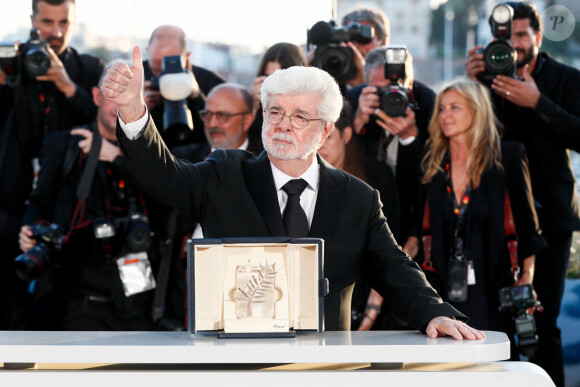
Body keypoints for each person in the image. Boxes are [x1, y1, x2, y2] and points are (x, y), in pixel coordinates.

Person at [102, 46, 485, 340]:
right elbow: (163, 176)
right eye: (275, 112)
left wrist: (435, 313)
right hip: (237, 363)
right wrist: (133, 111)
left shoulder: (358, 198)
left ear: (325, 130)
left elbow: (394, 267)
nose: (284, 124)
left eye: (300, 116)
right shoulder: (225, 173)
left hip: (326, 366)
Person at [465, 2, 580, 385]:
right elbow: (465, 135)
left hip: (551, 215)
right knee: (493, 322)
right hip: (496, 215)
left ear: (538, 36)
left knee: (541, 322)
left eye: (519, 35)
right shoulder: (485, 79)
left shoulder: (564, 78)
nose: (511, 44)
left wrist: (538, 104)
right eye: (504, 36)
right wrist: (472, 85)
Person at [18, 64, 162, 330]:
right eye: (113, 95)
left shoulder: (154, 154)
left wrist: (116, 157)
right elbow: (39, 201)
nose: (120, 104)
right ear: (96, 96)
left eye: (130, 96)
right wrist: (29, 230)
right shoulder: (63, 145)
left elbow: (165, 201)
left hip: (135, 295)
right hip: (75, 294)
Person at [417, 77, 545, 357]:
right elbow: (419, 226)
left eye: (454, 107)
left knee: (490, 362)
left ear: (477, 111)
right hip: (442, 284)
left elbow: (528, 229)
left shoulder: (508, 156)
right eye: (441, 108)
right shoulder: (432, 161)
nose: (445, 115)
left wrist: (527, 277)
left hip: (494, 280)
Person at [0, 0, 103, 330]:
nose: (56, 32)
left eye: (64, 23)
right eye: (47, 22)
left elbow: (102, 124)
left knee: (56, 304)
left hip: (63, 209)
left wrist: (66, 84)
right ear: (32, 20)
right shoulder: (13, 64)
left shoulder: (87, 68)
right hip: (9, 204)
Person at [163, 83, 257, 329]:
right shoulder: (182, 158)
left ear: (248, 120)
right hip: (179, 283)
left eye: (223, 116)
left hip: (246, 284)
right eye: (207, 114)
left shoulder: (266, 166)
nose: (213, 123)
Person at [144, 25, 225, 148]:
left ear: (187, 57)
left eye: (169, 66)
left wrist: (197, 97)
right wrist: (138, 109)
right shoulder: (135, 77)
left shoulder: (212, 84)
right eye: (156, 69)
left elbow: (224, 133)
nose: (163, 76)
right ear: (147, 51)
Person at [248, 43, 305, 154]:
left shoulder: (309, 106)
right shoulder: (259, 107)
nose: (273, 85)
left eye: (280, 78)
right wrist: (253, 105)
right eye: (268, 77)